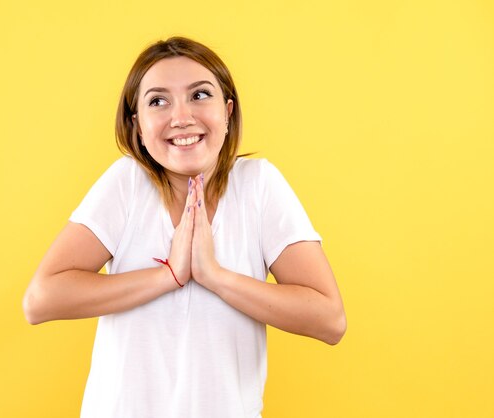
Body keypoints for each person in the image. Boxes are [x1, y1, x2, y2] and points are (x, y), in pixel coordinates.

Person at [23, 36, 346, 418]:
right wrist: (169, 275)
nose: (181, 117)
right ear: (138, 127)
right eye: (158, 101)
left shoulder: (259, 185)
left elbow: (330, 320)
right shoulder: (127, 182)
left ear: (228, 111)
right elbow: (40, 300)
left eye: (200, 95)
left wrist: (215, 276)